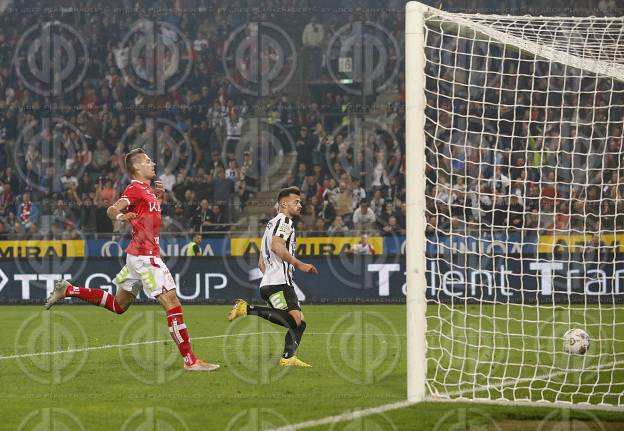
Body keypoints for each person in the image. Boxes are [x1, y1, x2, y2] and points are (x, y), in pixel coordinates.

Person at [44, 148, 218, 372]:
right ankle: (190, 361)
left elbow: (148, 219)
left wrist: (159, 199)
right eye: (147, 161)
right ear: (137, 167)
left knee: (119, 305)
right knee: (173, 304)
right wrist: (120, 216)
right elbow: (112, 208)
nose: (152, 163)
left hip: (137, 256)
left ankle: (69, 290)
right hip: (145, 258)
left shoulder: (147, 190)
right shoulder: (134, 188)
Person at [227, 187, 318, 367]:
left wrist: (270, 276)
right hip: (279, 283)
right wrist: (300, 265)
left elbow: (262, 262)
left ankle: (288, 357)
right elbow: (277, 247)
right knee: (295, 320)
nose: (300, 205)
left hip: (271, 282)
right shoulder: (285, 221)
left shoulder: (270, 225)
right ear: (284, 204)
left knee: (299, 323)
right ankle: (247, 309)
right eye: (296, 202)